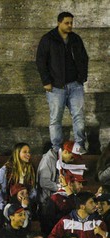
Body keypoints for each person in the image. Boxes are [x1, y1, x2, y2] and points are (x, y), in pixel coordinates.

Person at [36, 12, 89, 155]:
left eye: (71, 22)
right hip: (56, 87)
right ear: (59, 23)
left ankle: (79, 145)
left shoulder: (75, 39)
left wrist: (82, 78)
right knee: (55, 119)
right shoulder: (48, 39)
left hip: (75, 85)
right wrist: (46, 81)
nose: (70, 25)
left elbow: (84, 58)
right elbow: (41, 61)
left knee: (79, 116)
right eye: (67, 23)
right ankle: (56, 148)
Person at [0, 142, 37, 211]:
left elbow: (33, 189)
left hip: (26, 206)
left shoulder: (31, 169)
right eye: (25, 152)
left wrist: (29, 200)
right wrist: (0, 201)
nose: (28, 154)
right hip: (9, 206)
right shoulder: (7, 169)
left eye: (29, 152)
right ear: (17, 154)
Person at [37, 140, 83, 207]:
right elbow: (44, 182)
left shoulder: (63, 161)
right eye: (72, 157)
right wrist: (62, 188)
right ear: (65, 152)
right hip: (47, 203)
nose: (73, 160)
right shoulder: (49, 159)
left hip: (59, 201)